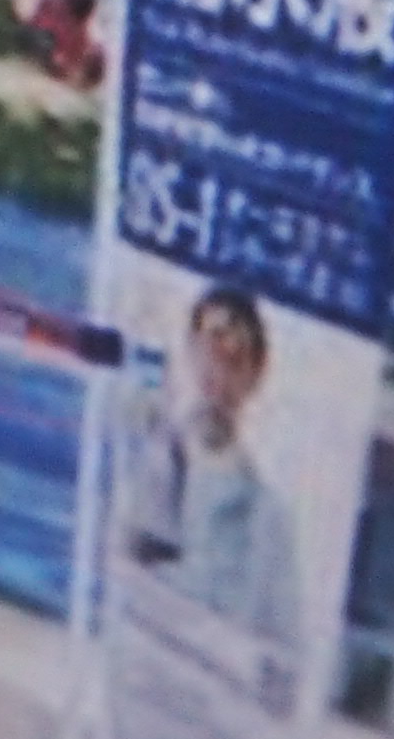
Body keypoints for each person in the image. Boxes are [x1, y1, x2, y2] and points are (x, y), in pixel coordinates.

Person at [125, 279, 299, 684]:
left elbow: (284, 668)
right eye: (211, 348)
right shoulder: (148, 459)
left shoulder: (269, 519)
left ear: (256, 373)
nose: (218, 372)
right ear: (190, 352)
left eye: (235, 359)